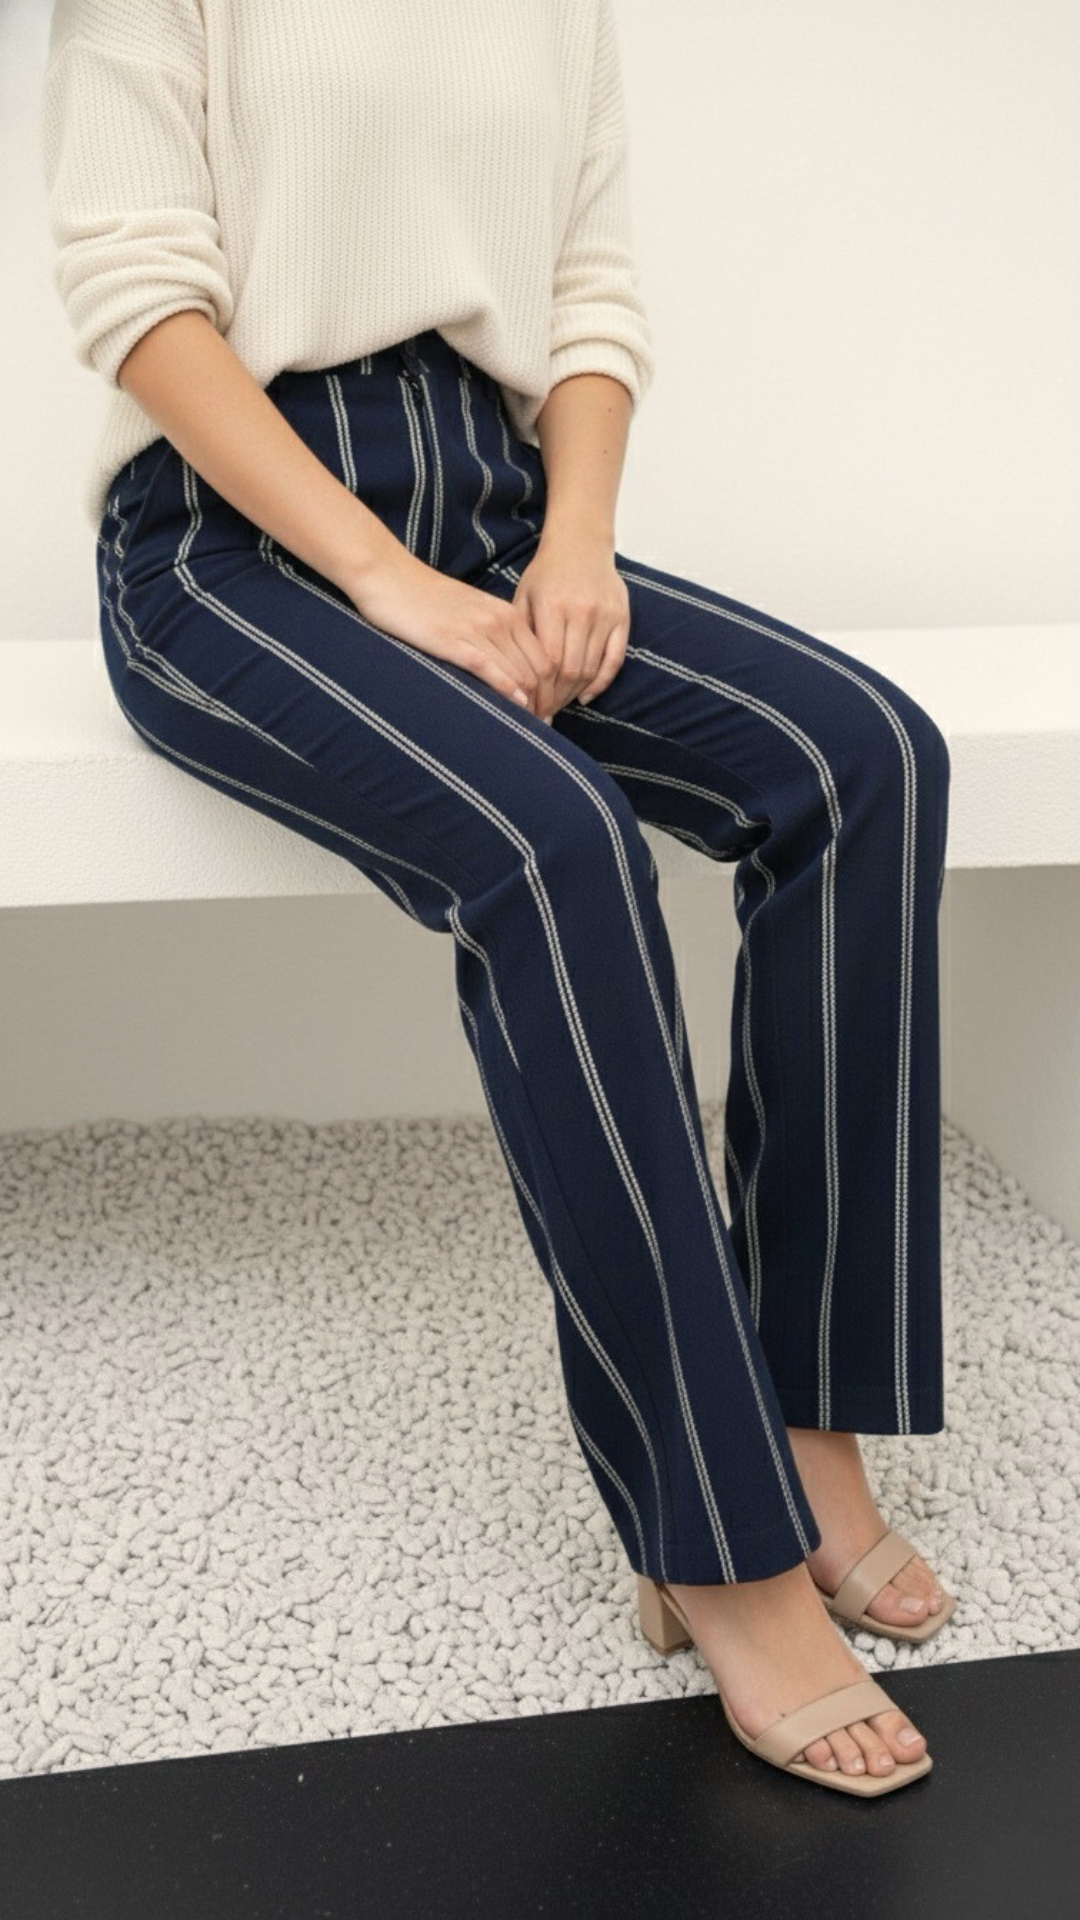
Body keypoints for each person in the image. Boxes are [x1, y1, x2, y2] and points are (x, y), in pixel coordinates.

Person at [41, 0, 954, 1797]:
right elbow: (137, 299)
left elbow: (587, 297)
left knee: (864, 761)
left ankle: (808, 1418)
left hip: (502, 502)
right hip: (231, 546)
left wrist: (576, 543)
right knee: (556, 843)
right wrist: (380, 576)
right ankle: (714, 1544)